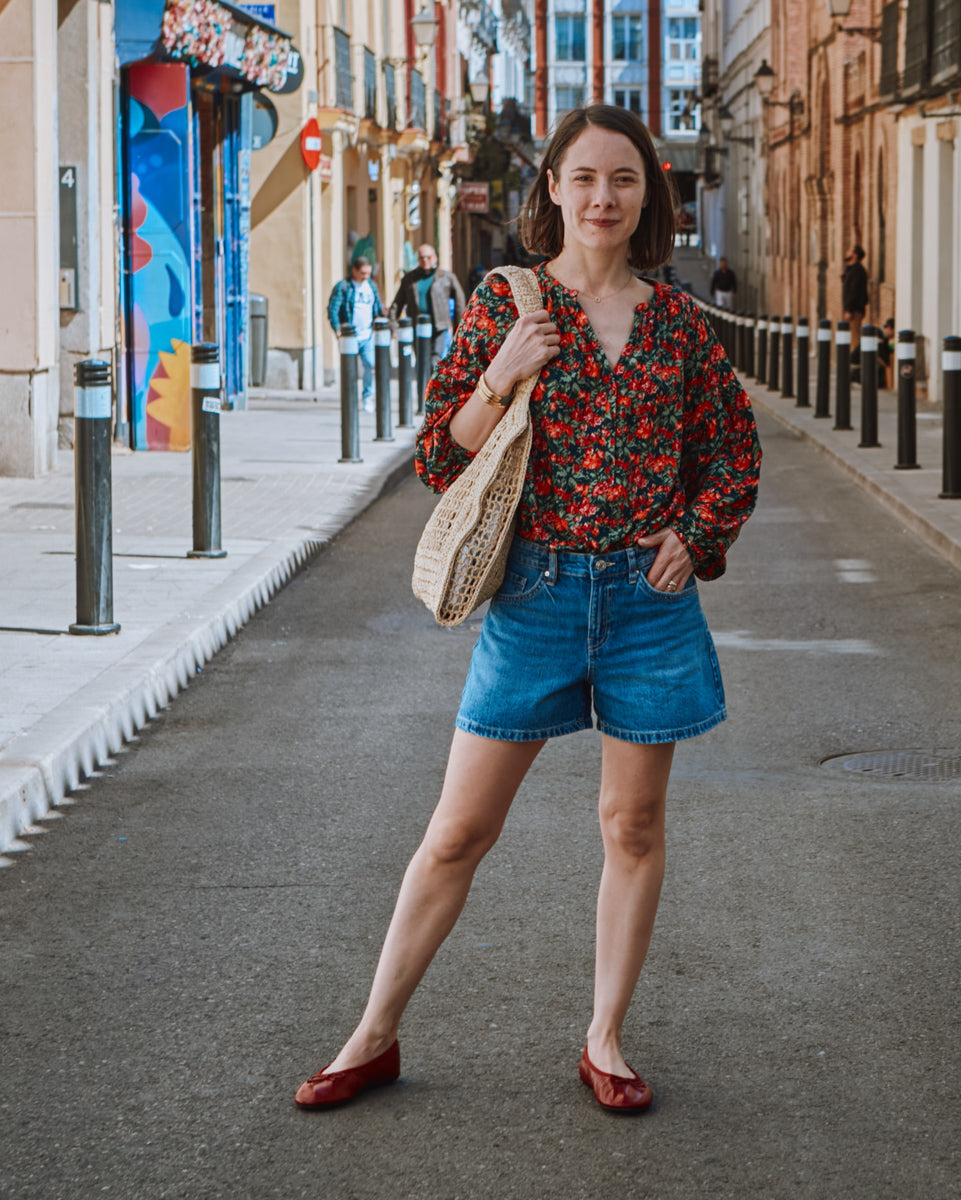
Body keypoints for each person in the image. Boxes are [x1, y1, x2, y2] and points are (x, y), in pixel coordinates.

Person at [294, 104, 761, 1116]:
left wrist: (700, 532)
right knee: (459, 831)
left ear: (649, 195)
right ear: (551, 187)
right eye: (585, 178)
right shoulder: (507, 306)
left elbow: (733, 451)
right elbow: (439, 457)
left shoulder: (678, 322)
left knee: (632, 825)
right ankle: (372, 1034)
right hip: (535, 595)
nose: (604, 198)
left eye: (624, 180)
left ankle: (606, 1039)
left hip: (648, 601)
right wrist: (501, 378)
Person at [390, 244, 468, 361]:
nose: (425, 260)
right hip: (418, 326)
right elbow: (397, 303)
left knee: (434, 359)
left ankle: (432, 378)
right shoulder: (409, 279)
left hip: (439, 327)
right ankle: (424, 380)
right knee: (422, 361)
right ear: (417, 260)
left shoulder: (446, 277)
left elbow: (459, 303)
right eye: (422, 258)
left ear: (435, 258)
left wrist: (460, 327)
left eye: (428, 257)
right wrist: (393, 326)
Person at [327, 256, 385, 413]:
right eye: (362, 273)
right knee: (349, 370)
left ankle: (367, 397)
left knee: (370, 365)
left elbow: (377, 307)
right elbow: (333, 308)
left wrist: (384, 323)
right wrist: (337, 329)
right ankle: (350, 398)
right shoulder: (344, 287)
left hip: (367, 334)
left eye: (368, 273)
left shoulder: (371, 286)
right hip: (350, 336)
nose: (365, 276)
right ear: (354, 270)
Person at [841, 244, 868, 352]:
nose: (847, 252)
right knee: (852, 337)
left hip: (855, 310)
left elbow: (854, 292)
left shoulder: (857, 271)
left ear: (855, 255)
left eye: (850, 251)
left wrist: (849, 309)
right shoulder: (853, 269)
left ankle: (856, 365)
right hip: (853, 309)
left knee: (855, 338)